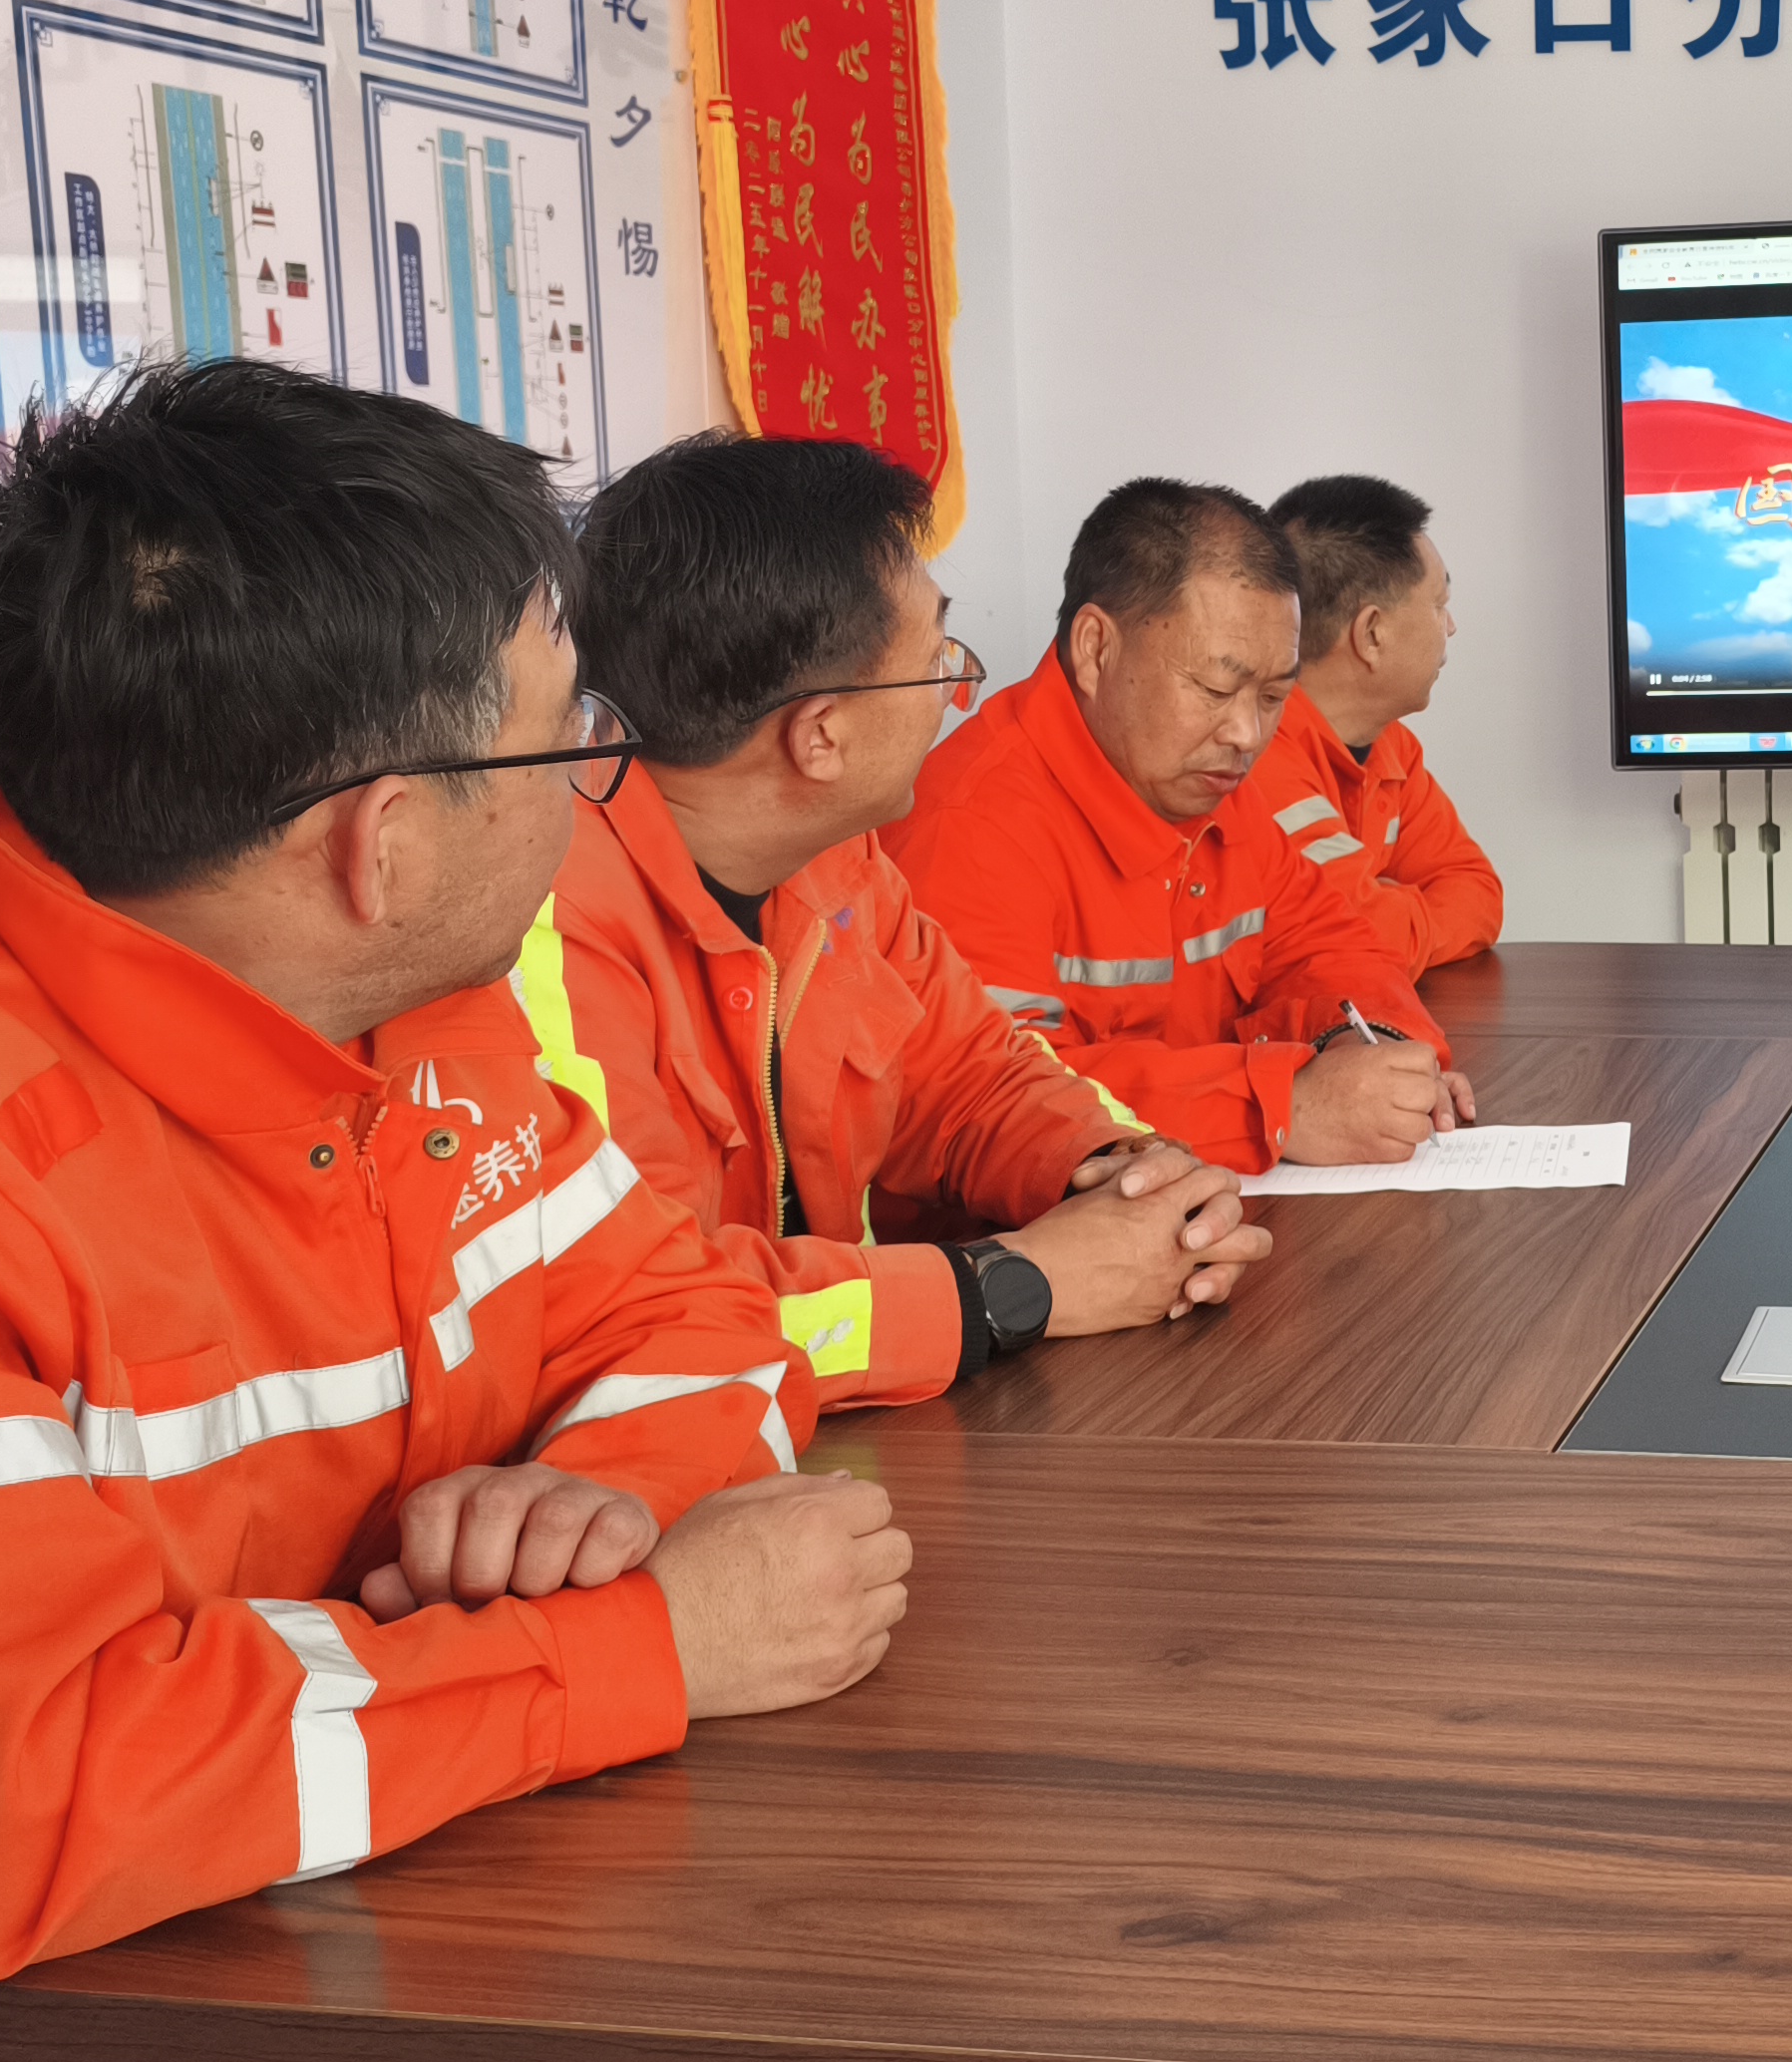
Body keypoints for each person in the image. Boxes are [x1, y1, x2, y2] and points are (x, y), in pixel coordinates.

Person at [0, 360, 911, 2062]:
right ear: (381, 843)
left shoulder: (400, 1007)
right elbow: (0, 1797)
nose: (601, 793)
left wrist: (606, 1489)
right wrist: (640, 1647)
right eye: (570, 740)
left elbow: (690, 1304)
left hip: (303, 1997)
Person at [538, 434, 1274, 1412]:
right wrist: (1014, 1287)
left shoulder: (837, 865)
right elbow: (643, 1317)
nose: (955, 694)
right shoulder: (545, 935)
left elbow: (975, 1074)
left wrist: (1122, 1176)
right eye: (935, 663)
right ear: (821, 736)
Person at [881, 479, 1470, 1173]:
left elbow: (1327, 945)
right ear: (1096, 649)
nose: (1246, 733)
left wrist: (1371, 1047)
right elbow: (987, 1102)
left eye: (1273, 696)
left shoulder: (1209, 785)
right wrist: (1278, 1107)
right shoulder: (972, 827)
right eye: (1216, 689)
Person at [1253, 473, 1503, 975]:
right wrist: (1397, 909)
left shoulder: (1393, 749)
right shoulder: (1256, 755)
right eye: (1438, 605)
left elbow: (1478, 892)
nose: (1451, 626)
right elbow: (1357, 938)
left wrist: (1390, 912)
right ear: (1371, 633)